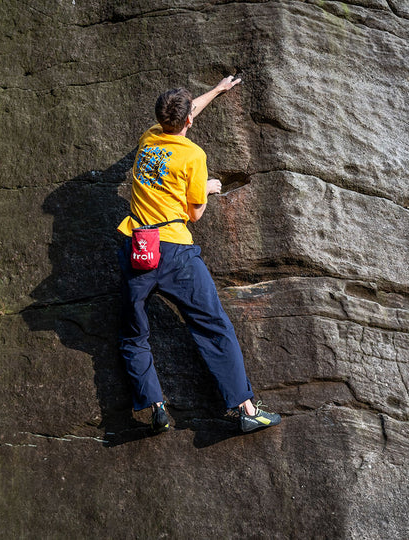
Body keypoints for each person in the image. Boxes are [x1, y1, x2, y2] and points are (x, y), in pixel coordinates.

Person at [116, 76, 281, 434]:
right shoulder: (193, 156)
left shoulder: (148, 138)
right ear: (188, 121)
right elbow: (194, 214)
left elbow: (185, 112)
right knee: (213, 325)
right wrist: (207, 188)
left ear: (161, 119)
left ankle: (154, 407)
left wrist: (218, 91)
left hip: (138, 248)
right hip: (175, 253)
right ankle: (245, 408)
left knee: (134, 333)